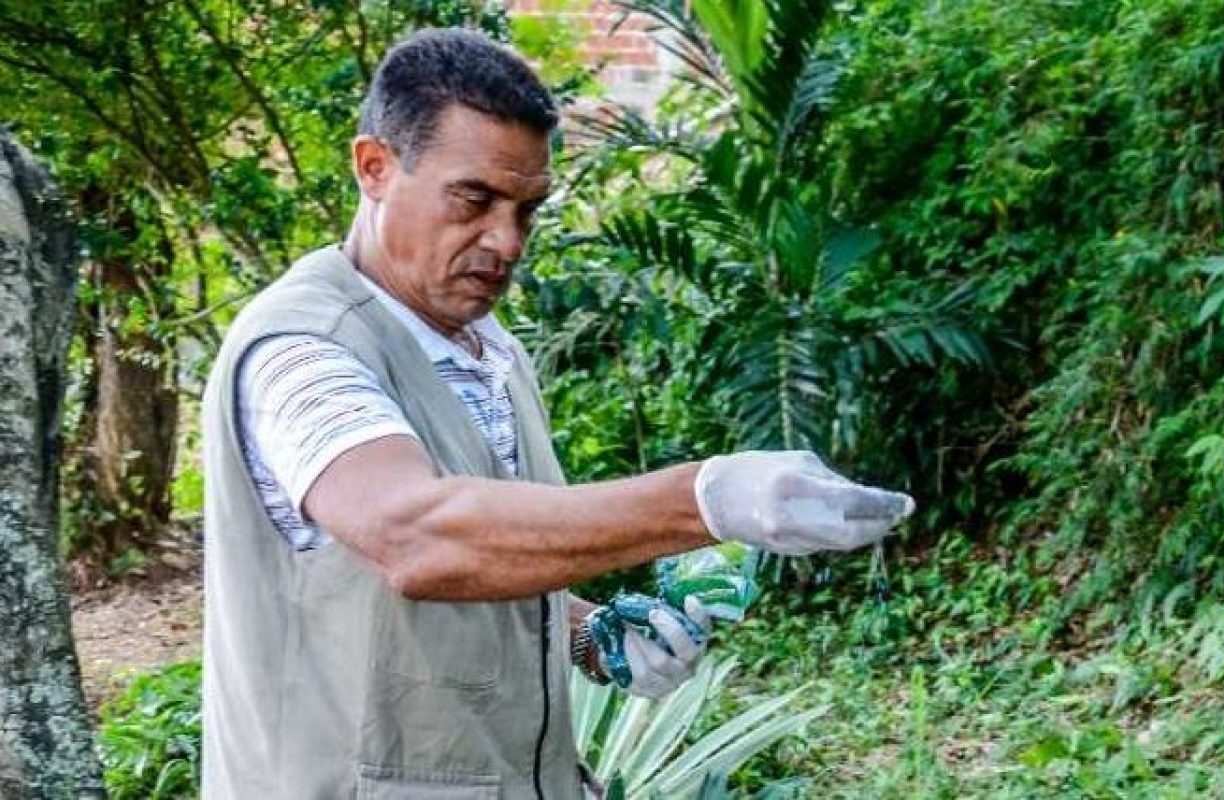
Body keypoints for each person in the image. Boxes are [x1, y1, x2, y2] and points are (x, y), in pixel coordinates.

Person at [198, 28, 913, 799]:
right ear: (375, 167)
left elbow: (477, 558)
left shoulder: (489, 349)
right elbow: (417, 538)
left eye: (527, 209)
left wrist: (583, 630)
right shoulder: (303, 350)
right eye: (474, 200)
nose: (506, 242)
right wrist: (706, 499)